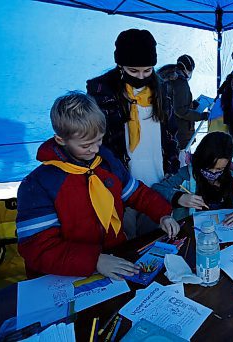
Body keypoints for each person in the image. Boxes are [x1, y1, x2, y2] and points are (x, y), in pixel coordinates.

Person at [16, 92, 180, 279]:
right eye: (86, 145)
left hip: (114, 256)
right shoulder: (39, 184)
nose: (94, 150)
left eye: (99, 140)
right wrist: (94, 260)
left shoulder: (105, 161)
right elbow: (38, 248)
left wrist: (162, 214)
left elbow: (135, 193)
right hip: (69, 272)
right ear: (61, 140)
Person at [87, 29, 179, 238]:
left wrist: (172, 171)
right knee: (125, 243)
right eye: (133, 71)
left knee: (153, 242)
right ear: (120, 65)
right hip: (121, 186)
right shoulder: (102, 94)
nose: (141, 77)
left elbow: (171, 134)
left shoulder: (162, 91)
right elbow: (95, 142)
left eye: (147, 71)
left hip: (157, 181)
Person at [152, 132, 233, 223]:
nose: (213, 173)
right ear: (200, 159)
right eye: (208, 168)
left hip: (227, 234)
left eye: (219, 169)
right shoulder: (187, 175)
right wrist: (178, 197)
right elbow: (156, 190)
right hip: (192, 233)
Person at [157, 55, 208, 152]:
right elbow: (181, 110)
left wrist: (192, 104)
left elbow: (173, 103)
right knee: (180, 163)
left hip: (167, 130)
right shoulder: (180, 82)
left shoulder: (166, 79)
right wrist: (202, 116)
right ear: (189, 69)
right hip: (180, 133)